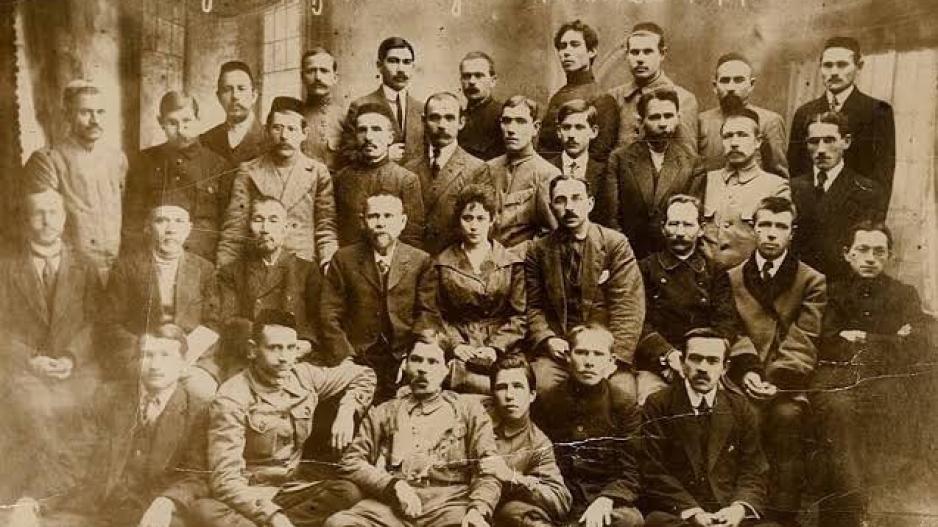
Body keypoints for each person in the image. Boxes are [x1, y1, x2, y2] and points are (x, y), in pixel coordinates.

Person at [11, 325, 211, 527]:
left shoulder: (197, 412)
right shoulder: (108, 397)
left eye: (166, 355)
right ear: (137, 359)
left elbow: (195, 477)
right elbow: (73, 458)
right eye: (148, 355)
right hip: (94, 510)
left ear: (183, 364)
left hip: (150, 516)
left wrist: (167, 502)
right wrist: (32, 501)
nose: (155, 365)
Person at [191, 309, 374, 527]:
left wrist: (347, 410)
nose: (284, 358)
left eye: (291, 348)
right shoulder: (232, 397)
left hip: (290, 490)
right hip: (250, 495)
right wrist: (272, 516)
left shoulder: (304, 376)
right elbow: (225, 480)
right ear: (253, 350)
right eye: (274, 348)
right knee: (204, 510)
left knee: (348, 491)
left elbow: (363, 375)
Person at [810, 221, 933, 527]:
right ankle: (851, 506)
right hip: (837, 379)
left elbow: (916, 345)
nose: (870, 258)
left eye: (879, 252)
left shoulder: (903, 295)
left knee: (893, 414)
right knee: (838, 413)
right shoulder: (831, 292)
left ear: (889, 255)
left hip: (884, 380)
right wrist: (890, 339)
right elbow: (826, 342)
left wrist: (862, 337)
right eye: (862, 250)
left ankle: (878, 510)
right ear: (847, 254)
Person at [323, 334, 499, 527]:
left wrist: (478, 509)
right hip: (392, 507)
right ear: (405, 365)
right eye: (416, 360)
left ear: (446, 369)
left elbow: (489, 468)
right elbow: (350, 461)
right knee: (339, 524)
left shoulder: (469, 410)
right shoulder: (384, 411)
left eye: (432, 362)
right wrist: (392, 485)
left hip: (450, 506)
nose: (423, 369)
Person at [726, 197, 826, 526]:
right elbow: (731, 328)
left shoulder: (810, 280)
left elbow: (806, 335)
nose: (771, 233)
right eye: (765, 225)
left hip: (786, 381)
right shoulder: (732, 277)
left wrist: (778, 380)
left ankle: (783, 514)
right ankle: (742, 507)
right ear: (753, 229)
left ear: (791, 233)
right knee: (743, 416)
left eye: (780, 226)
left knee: (787, 416)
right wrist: (749, 371)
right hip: (744, 376)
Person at [0, 188, 102, 502]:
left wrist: (72, 357)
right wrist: (31, 359)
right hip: (22, 369)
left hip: (76, 367)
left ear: (65, 217)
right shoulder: (6, 267)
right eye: (38, 213)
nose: (47, 220)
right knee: (36, 408)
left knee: (86, 407)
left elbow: (96, 322)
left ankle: (68, 490)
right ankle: (41, 494)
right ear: (26, 219)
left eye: (54, 212)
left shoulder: (85, 265)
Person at [642, 329, 777, 527]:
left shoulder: (739, 406)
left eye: (713, 361)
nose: (703, 368)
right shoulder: (659, 405)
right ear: (682, 363)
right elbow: (652, 470)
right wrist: (693, 512)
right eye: (695, 359)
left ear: (725, 368)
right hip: (681, 514)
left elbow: (753, 469)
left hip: (727, 515)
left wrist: (738, 509)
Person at [525, 175, 644, 399]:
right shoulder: (538, 250)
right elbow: (533, 306)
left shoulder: (615, 244)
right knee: (541, 390)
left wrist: (613, 358)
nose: (569, 207)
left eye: (576, 198)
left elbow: (628, 308)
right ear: (551, 207)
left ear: (590, 203)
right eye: (560, 200)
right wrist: (547, 339)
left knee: (622, 395)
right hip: (560, 352)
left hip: (604, 351)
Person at [321, 193, 434, 402]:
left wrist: (413, 356)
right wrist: (344, 357)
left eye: (388, 216)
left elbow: (427, 314)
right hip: (358, 355)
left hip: (401, 355)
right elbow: (329, 314)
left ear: (402, 222)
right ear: (363, 221)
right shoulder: (344, 259)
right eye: (373, 216)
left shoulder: (420, 261)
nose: (381, 223)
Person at [416, 185, 526, 394]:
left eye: (481, 218)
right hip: (458, 343)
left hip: (504, 346)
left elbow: (520, 316)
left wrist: (495, 347)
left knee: (509, 386)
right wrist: (455, 345)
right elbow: (432, 313)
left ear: (492, 220)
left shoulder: (511, 262)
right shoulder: (441, 263)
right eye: (467, 218)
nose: (474, 226)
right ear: (458, 221)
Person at [532, 324, 644, 527]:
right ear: (568, 356)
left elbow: (631, 470)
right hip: (559, 495)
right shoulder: (548, 400)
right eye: (582, 353)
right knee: (515, 512)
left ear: (611, 361)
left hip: (601, 496)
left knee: (630, 520)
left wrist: (607, 498)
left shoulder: (623, 404)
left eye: (598, 354)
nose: (589, 362)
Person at [101, 202, 220, 392]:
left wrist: (185, 356)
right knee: (130, 392)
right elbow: (109, 322)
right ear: (148, 228)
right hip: (142, 355)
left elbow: (212, 322)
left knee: (202, 390)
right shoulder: (126, 267)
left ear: (189, 229)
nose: (171, 229)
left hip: (191, 358)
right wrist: (142, 346)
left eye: (179, 221)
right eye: (162, 221)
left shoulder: (204, 269)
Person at [636, 195, 741, 404]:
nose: (680, 232)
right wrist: (667, 355)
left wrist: (703, 359)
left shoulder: (715, 271)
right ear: (663, 228)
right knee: (650, 403)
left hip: (704, 360)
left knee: (727, 407)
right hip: (658, 363)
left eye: (687, 225)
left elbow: (725, 322)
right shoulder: (646, 268)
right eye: (673, 224)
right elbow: (638, 322)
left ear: (701, 229)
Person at [22, 79, 128, 280]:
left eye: (100, 112)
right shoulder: (47, 160)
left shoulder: (117, 158)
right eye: (85, 112)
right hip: (73, 272)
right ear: (67, 115)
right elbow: (44, 222)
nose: (95, 120)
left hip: (116, 268)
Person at [219, 95, 338, 269]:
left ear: (304, 134)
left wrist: (328, 265)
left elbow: (326, 228)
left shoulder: (317, 172)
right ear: (267, 131)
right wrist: (223, 270)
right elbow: (234, 229)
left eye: (291, 129)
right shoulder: (249, 171)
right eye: (277, 128)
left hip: (302, 265)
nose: (284, 136)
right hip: (258, 265)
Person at [215, 196, 321, 383]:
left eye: (273, 220)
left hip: (296, 356)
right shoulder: (231, 272)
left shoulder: (306, 270)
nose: (265, 229)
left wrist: (307, 342)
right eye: (258, 220)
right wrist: (263, 345)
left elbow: (318, 316)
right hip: (249, 356)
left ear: (285, 228)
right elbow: (229, 319)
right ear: (249, 227)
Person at [123, 90, 233, 261]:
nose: (181, 130)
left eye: (187, 121)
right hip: (154, 259)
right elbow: (132, 221)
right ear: (161, 122)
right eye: (172, 123)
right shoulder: (144, 162)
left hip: (201, 260)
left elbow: (228, 225)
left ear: (198, 119)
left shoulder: (218, 165)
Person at [788, 36, 895, 208]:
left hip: (855, 209)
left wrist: (873, 219)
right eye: (828, 65)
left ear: (859, 66)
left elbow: (883, 175)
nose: (834, 72)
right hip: (808, 209)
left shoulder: (877, 112)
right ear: (820, 68)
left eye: (842, 65)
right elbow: (795, 169)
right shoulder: (804, 113)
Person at [605, 88, 703, 258]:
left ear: (678, 118)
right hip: (628, 255)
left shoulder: (692, 163)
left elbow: (691, 218)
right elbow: (611, 217)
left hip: (673, 256)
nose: (663, 123)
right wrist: (623, 255)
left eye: (668, 116)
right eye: (655, 117)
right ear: (641, 121)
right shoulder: (619, 159)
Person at [790, 111, 882, 282]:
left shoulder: (867, 191)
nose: (821, 150)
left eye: (829, 140)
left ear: (846, 141)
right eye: (814, 141)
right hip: (798, 282)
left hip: (843, 284)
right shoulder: (791, 188)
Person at [481, 354, 572, 526]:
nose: (510, 395)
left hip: (499, 513)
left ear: (532, 395)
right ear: (492, 393)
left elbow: (560, 500)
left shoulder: (538, 443)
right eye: (501, 387)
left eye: (518, 386)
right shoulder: (475, 415)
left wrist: (512, 477)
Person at [701, 108, 789, 269]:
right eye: (728, 136)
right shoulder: (705, 180)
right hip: (705, 276)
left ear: (758, 142)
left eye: (742, 135)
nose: (734, 143)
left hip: (747, 278)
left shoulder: (775, 186)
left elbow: (778, 239)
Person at [332, 102, 425, 247]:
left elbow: (412, 236)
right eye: (362, 130)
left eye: (376, 129)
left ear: (390, 138)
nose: (368, 137)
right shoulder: (341, 178)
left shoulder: (406, 180)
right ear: (355, 136)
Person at [473, 96, 559, 250]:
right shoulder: (488, 169)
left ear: (535, 128)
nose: (511, 129)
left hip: (522, 261)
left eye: (520, 121)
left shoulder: (547, 174)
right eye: (506, 121)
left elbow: (551, 234)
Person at [404, 92, 484, 254]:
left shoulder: (477, 169)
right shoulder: (408, 169)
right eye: (434, 118)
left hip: (455, 259)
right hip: (413, 259)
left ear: (461, 122)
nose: (441, 125)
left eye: (449, 118)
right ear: (423, 121)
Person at [608, 22, 697, 154]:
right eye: (634, 52)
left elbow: (687, 156)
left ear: (662, 54)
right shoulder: (614, 97)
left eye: (647, 52)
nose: (640, 59)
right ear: (627, 55)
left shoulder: (683, 99)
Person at [537, 20, 619, 160]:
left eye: (575, 45)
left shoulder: (603, 99)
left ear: (591, 51)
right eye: (562, 47)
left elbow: (598, 156)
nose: (566, 52)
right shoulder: (557, 97)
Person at [697, 53, 789, 178]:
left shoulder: (770, 121)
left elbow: (779, 176)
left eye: (738, 80)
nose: (731, 87)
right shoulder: (701, 121)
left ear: (751, 85)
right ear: (715, 86)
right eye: (725, 81)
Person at [342, 36, 423, 165]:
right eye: (393, 61)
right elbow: (347, 154)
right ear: (379, 66)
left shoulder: (421, 109)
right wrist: (383, 157)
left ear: (413, 67)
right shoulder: (360, 105)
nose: (401, 69)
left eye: (406, 62)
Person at [544, 99, 612, 226]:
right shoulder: (545, 169)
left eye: (579, 127)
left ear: (593, 132)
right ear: (558, 131)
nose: (571, 134)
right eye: (566, 127)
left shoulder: (606, 171)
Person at [201, 61, 267, 164]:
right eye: (227, 90)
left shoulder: (269, 139)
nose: (235, 96)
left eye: (241, 89)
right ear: (219, 97)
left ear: (254, 95)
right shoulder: (205, 141)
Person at [300, 48, 346, 172]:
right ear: (302, 77)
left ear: (335, 78)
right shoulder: (294, 116)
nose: (318, 77)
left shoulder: (347, 116)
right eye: (311, 71)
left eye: (324, 71)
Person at [458, 51, 505, 161]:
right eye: (466, 76)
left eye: (478, 75)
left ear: (493, 81)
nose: (471, 81)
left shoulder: (504, 116)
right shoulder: (455, 118)